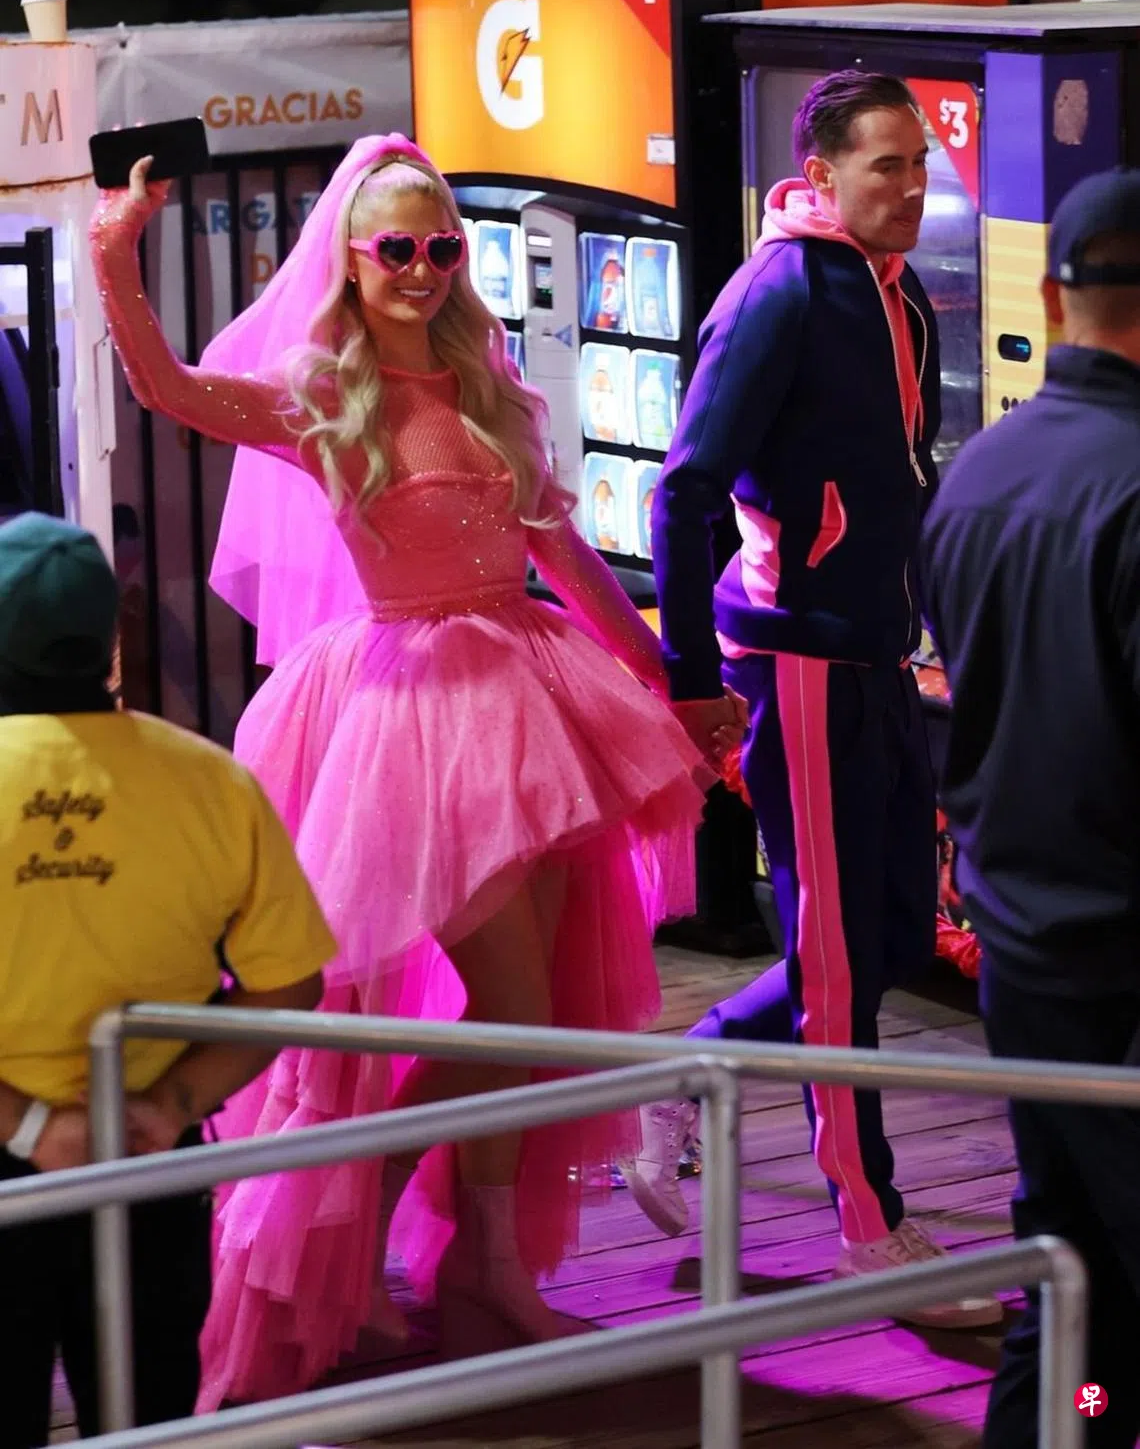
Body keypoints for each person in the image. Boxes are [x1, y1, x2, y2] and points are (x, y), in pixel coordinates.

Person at [89, 133, 728, 1407]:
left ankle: (480, 1266)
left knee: (538, 1012)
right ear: (351, 257)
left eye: (443, 245)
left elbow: (566, 557)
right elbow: (165, 388)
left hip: (537, 704)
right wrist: (116, 250)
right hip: (421, 722)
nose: (425, 268)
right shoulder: (321, 397)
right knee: (515, 1010)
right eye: (398, 248)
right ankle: (380, 1215)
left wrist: (668, 679)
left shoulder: (489, 382)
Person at [623, 70, 1000, 1328]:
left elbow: (904, 484)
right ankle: (867, 1227)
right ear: (823, 173)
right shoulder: (778, 292)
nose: (915, 187)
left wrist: (940, 637)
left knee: (887, 936)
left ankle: (694, 1064)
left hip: (875, 656)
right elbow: (684, 489)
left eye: (922, 164)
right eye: (889, 165)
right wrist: (689, 683)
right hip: (794, 661)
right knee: (836, 966)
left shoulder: (898, 291)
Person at [0, 511, 331, 1446]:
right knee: (146, 1422)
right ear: (111, 633)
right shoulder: (209, 780)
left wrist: (31, 1127)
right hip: (150, 1154)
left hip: (11, 1163)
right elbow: (290, 985)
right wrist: (168, 1103)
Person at [920, 169, 1140, 1448]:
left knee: (1066, 1278)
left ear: (1053, 299)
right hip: (1124, 959)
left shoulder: (981, 471)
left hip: (1023, 944)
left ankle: (1072, 1423)